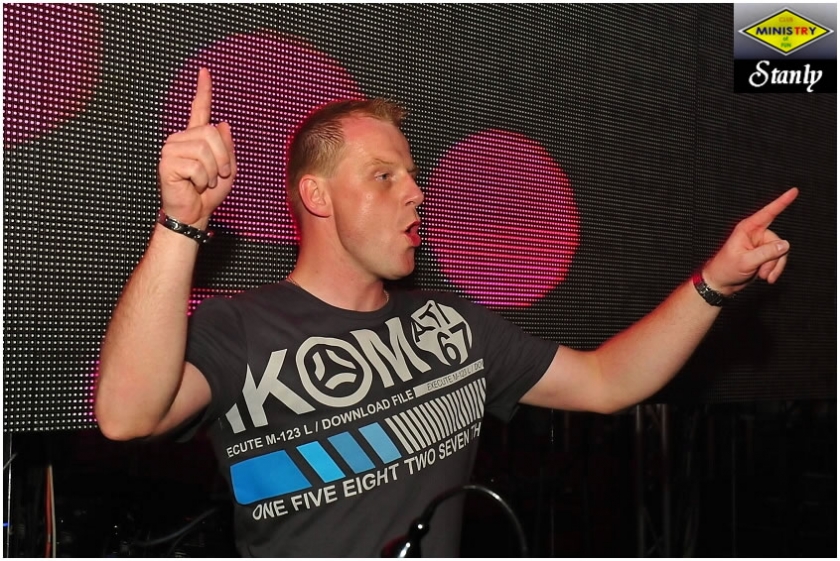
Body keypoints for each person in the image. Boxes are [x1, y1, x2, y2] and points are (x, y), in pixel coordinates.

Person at [95, 68, 798, 557]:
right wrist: (180, 223)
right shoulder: (240, 329)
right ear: (317, 196)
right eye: (384, 176)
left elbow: (606, 380)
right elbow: (126, 415)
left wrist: (715, 281)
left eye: (412, 174)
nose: (417, 192)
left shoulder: (450, 325)